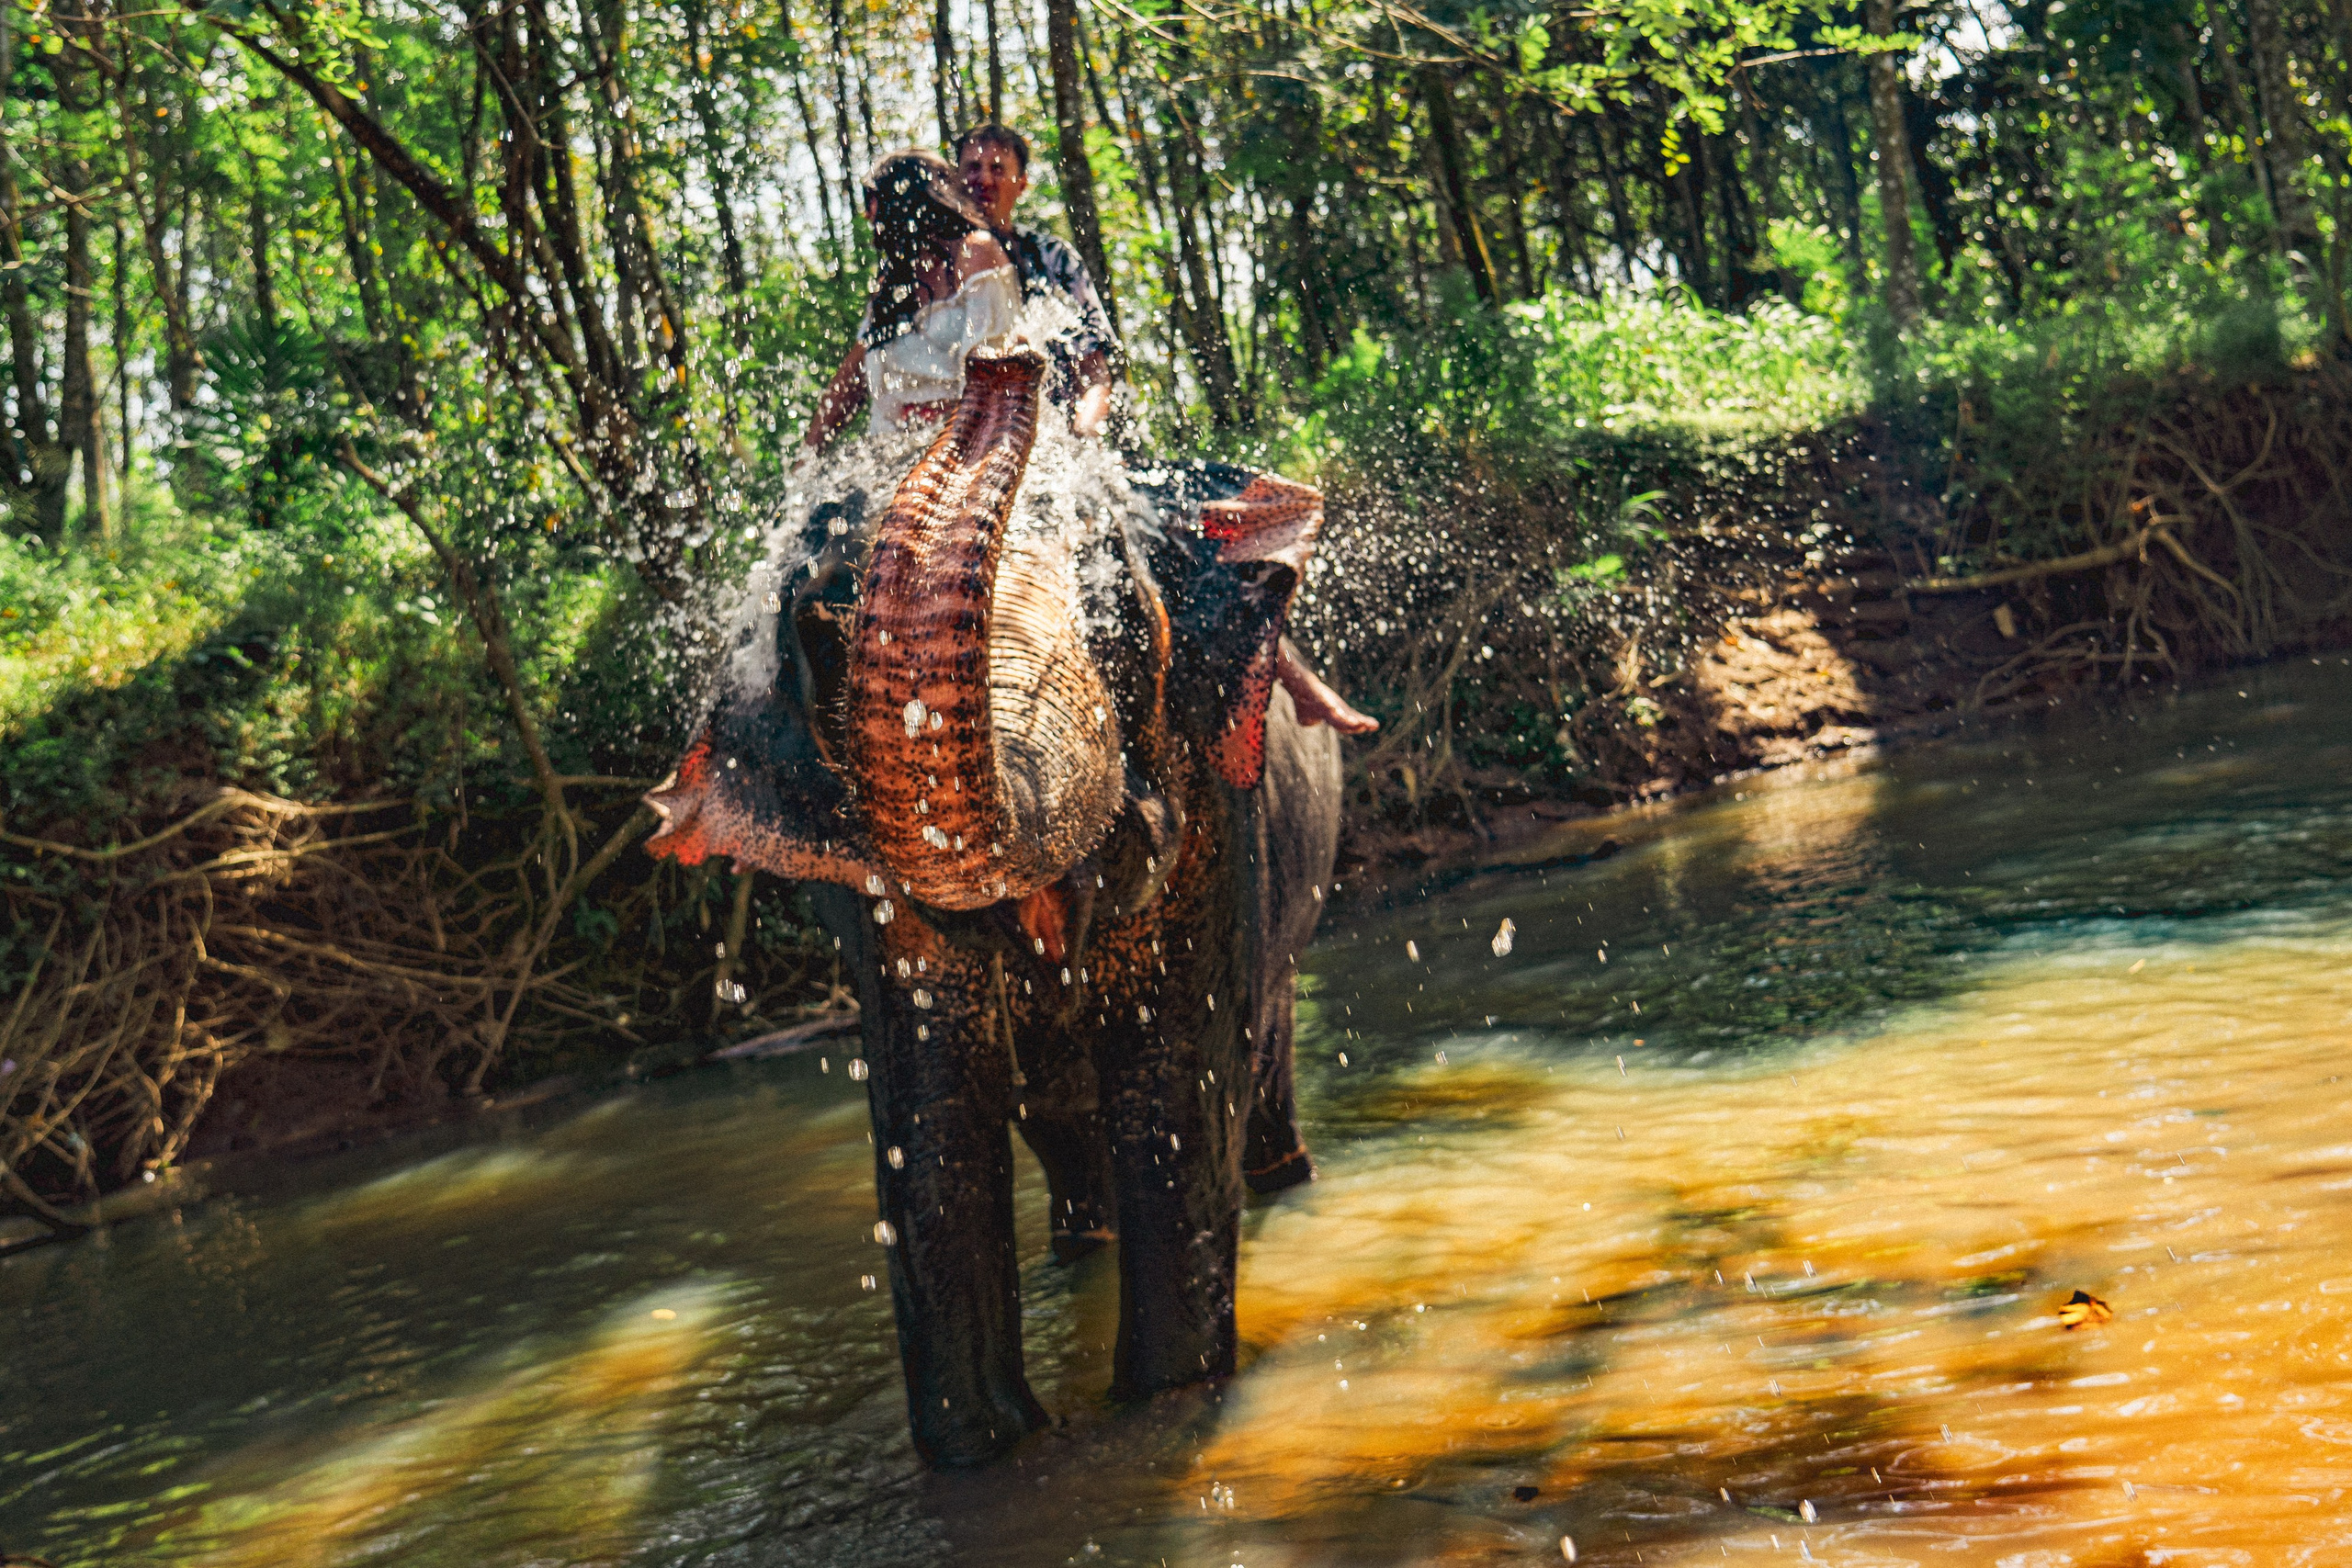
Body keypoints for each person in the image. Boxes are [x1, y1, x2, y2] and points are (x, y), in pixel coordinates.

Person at [798, 146, 1375, 735]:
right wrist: (808, 458)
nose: (982, 179)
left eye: (996, 168)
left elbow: (1068, 367)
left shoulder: (1028, 258)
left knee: (1159, 538)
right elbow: (852, 381)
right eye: (971, 167)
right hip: (905, 467)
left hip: (1002, 440)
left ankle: (1277, 685)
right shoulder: (892, 288)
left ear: (1016, 182)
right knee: (804, 571)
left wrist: (1081, 433)